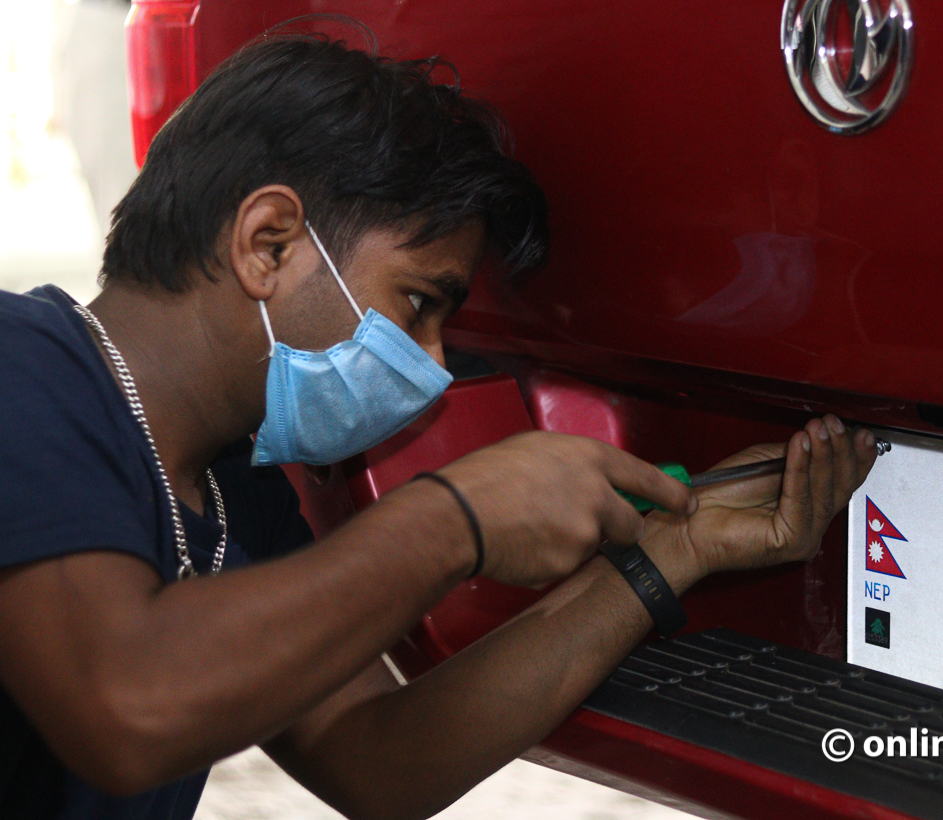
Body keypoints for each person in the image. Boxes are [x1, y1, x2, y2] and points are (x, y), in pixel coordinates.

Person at [0, 36, 877, 820]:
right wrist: (455, 517)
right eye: (418, 304)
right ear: (268, 243)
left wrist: (672, 555)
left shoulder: (233, 495)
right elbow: (126, 709)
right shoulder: (24, 371)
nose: (428, 367)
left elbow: (378, 762)